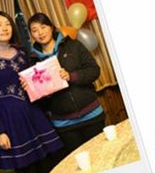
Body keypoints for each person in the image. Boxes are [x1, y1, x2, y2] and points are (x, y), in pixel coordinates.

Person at [0, 12, 62, 173]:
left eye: (7, 24)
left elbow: (36, 82)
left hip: (35, 115)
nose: (5, 28)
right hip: (12, 124)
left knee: (52, 170)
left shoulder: (22, 53)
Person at [26, 13, 105, 161]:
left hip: (92, 115)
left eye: (43, 27)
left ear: (51, 27)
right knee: (80, 165)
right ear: (31, 35)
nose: (40, 32)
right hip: (64, 124)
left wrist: (71, 76)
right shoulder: (32, 62)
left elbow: (94, 70)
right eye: (35, 30)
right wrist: (36, 90)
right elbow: (39, 102)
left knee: (103, 158)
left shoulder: (73, 45)